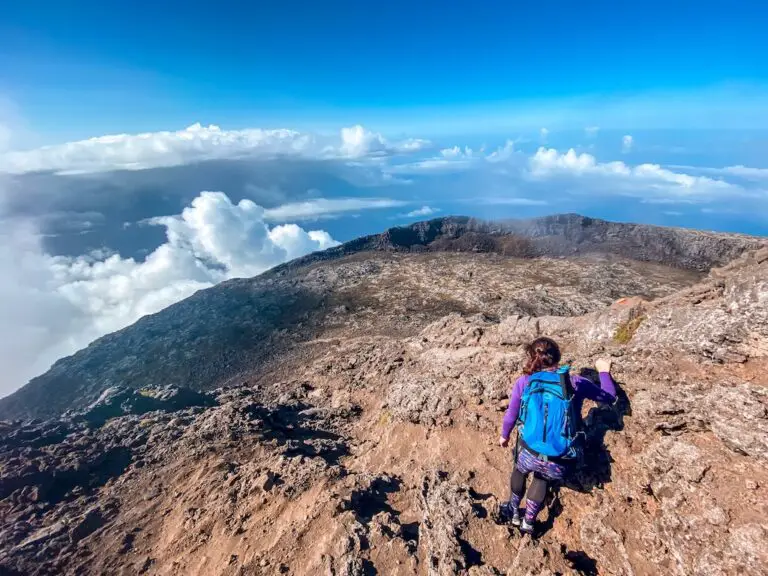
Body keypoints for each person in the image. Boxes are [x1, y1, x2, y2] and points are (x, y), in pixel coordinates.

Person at [498, 337, 616, 535]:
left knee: (519, 470)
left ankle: (513, 511)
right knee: (542, 478)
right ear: (558, 357)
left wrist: (504, 435)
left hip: (528, 450)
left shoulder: (525, 381)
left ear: (531, 357)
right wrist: (603, 372)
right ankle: (529, 522)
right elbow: (609, 398)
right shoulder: (575, 382)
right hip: (559, 459)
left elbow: (512, 413)